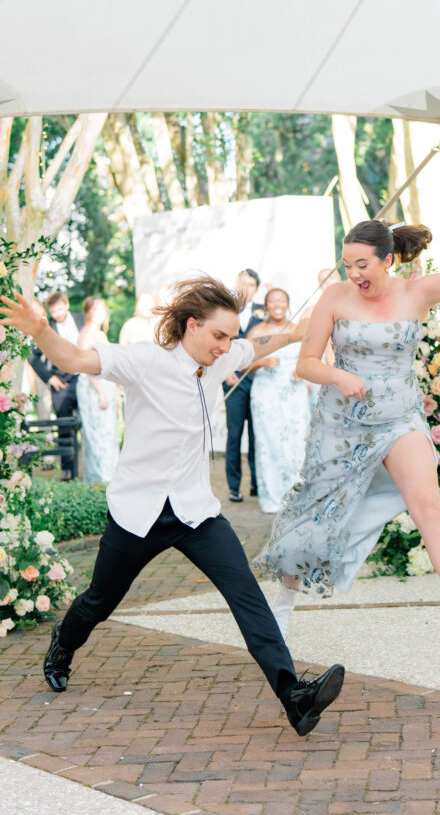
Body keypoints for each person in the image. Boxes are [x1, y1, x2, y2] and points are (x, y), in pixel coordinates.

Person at [0, 277, 345, 736]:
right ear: (190, 326)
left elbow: (261, 343)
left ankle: (295, 697)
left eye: (230, 336)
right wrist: (41, 330)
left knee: (246, 595)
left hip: (195, 513)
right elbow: (74, 359)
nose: (226, 346)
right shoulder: (143, 359)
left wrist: (300, 330)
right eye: (218, 335)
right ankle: (63, 642)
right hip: (137, 513)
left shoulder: (222, 357)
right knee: (99, 601)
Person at [255, 211, 440, 657]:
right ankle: (283, 606)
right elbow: (306, 362)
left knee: (427, 506)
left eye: (362, 265)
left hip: (400, 418)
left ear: (387, 260)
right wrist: (337, 376)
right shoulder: (335, 297)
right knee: (314, 514)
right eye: (347, 265)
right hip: (343, 422)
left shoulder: (419, 291)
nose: (354, 274)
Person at [249, 289, 313, 514]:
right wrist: (262, 362)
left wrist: (301, 371)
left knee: (297, 442)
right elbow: (243, 363)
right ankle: (272, 497)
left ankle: (296, 496)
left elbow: (309, 358)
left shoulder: (298, 328)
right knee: (270, 443)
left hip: (295, 393)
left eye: (282, 300)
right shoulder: (258, 331)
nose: (277, 305)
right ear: (265, 306)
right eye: (272, 301)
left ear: (288, 304)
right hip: (267, 393)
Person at [28, 291, 84, 479]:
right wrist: (50, 377)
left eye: (60, 309)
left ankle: (92, 467)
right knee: (64, 427)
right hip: (61, 383)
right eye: (53, 311)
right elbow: (32, 355)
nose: (57, 314)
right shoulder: (46, 326)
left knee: (89, 423)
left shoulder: (81, 319)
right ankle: (67, 471)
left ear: (67, 305)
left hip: (85, 378)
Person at [223, 268, 263, 502]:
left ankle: (257, 484)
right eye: (242, 284)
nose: (245, 288)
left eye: (250, 285)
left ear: (256, 289)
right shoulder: (226, 310)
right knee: (234, 434)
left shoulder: (263, 313)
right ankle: (234, 487)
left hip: (257, 379)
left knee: (257, 433)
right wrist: (226, 371)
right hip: (233, 379)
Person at [76, 297, 119, 485]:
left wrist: (114, 392)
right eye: (97, 310)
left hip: (105, 387)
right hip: (93, 389)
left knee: (108, 434)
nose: (101, 314)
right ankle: (100, 480)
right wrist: (101, 392)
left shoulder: (99, 333)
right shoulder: (86, 334)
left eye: (103, 310)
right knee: (98, 435)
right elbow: (86, 367)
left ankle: (110, 478)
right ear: (88, 313)